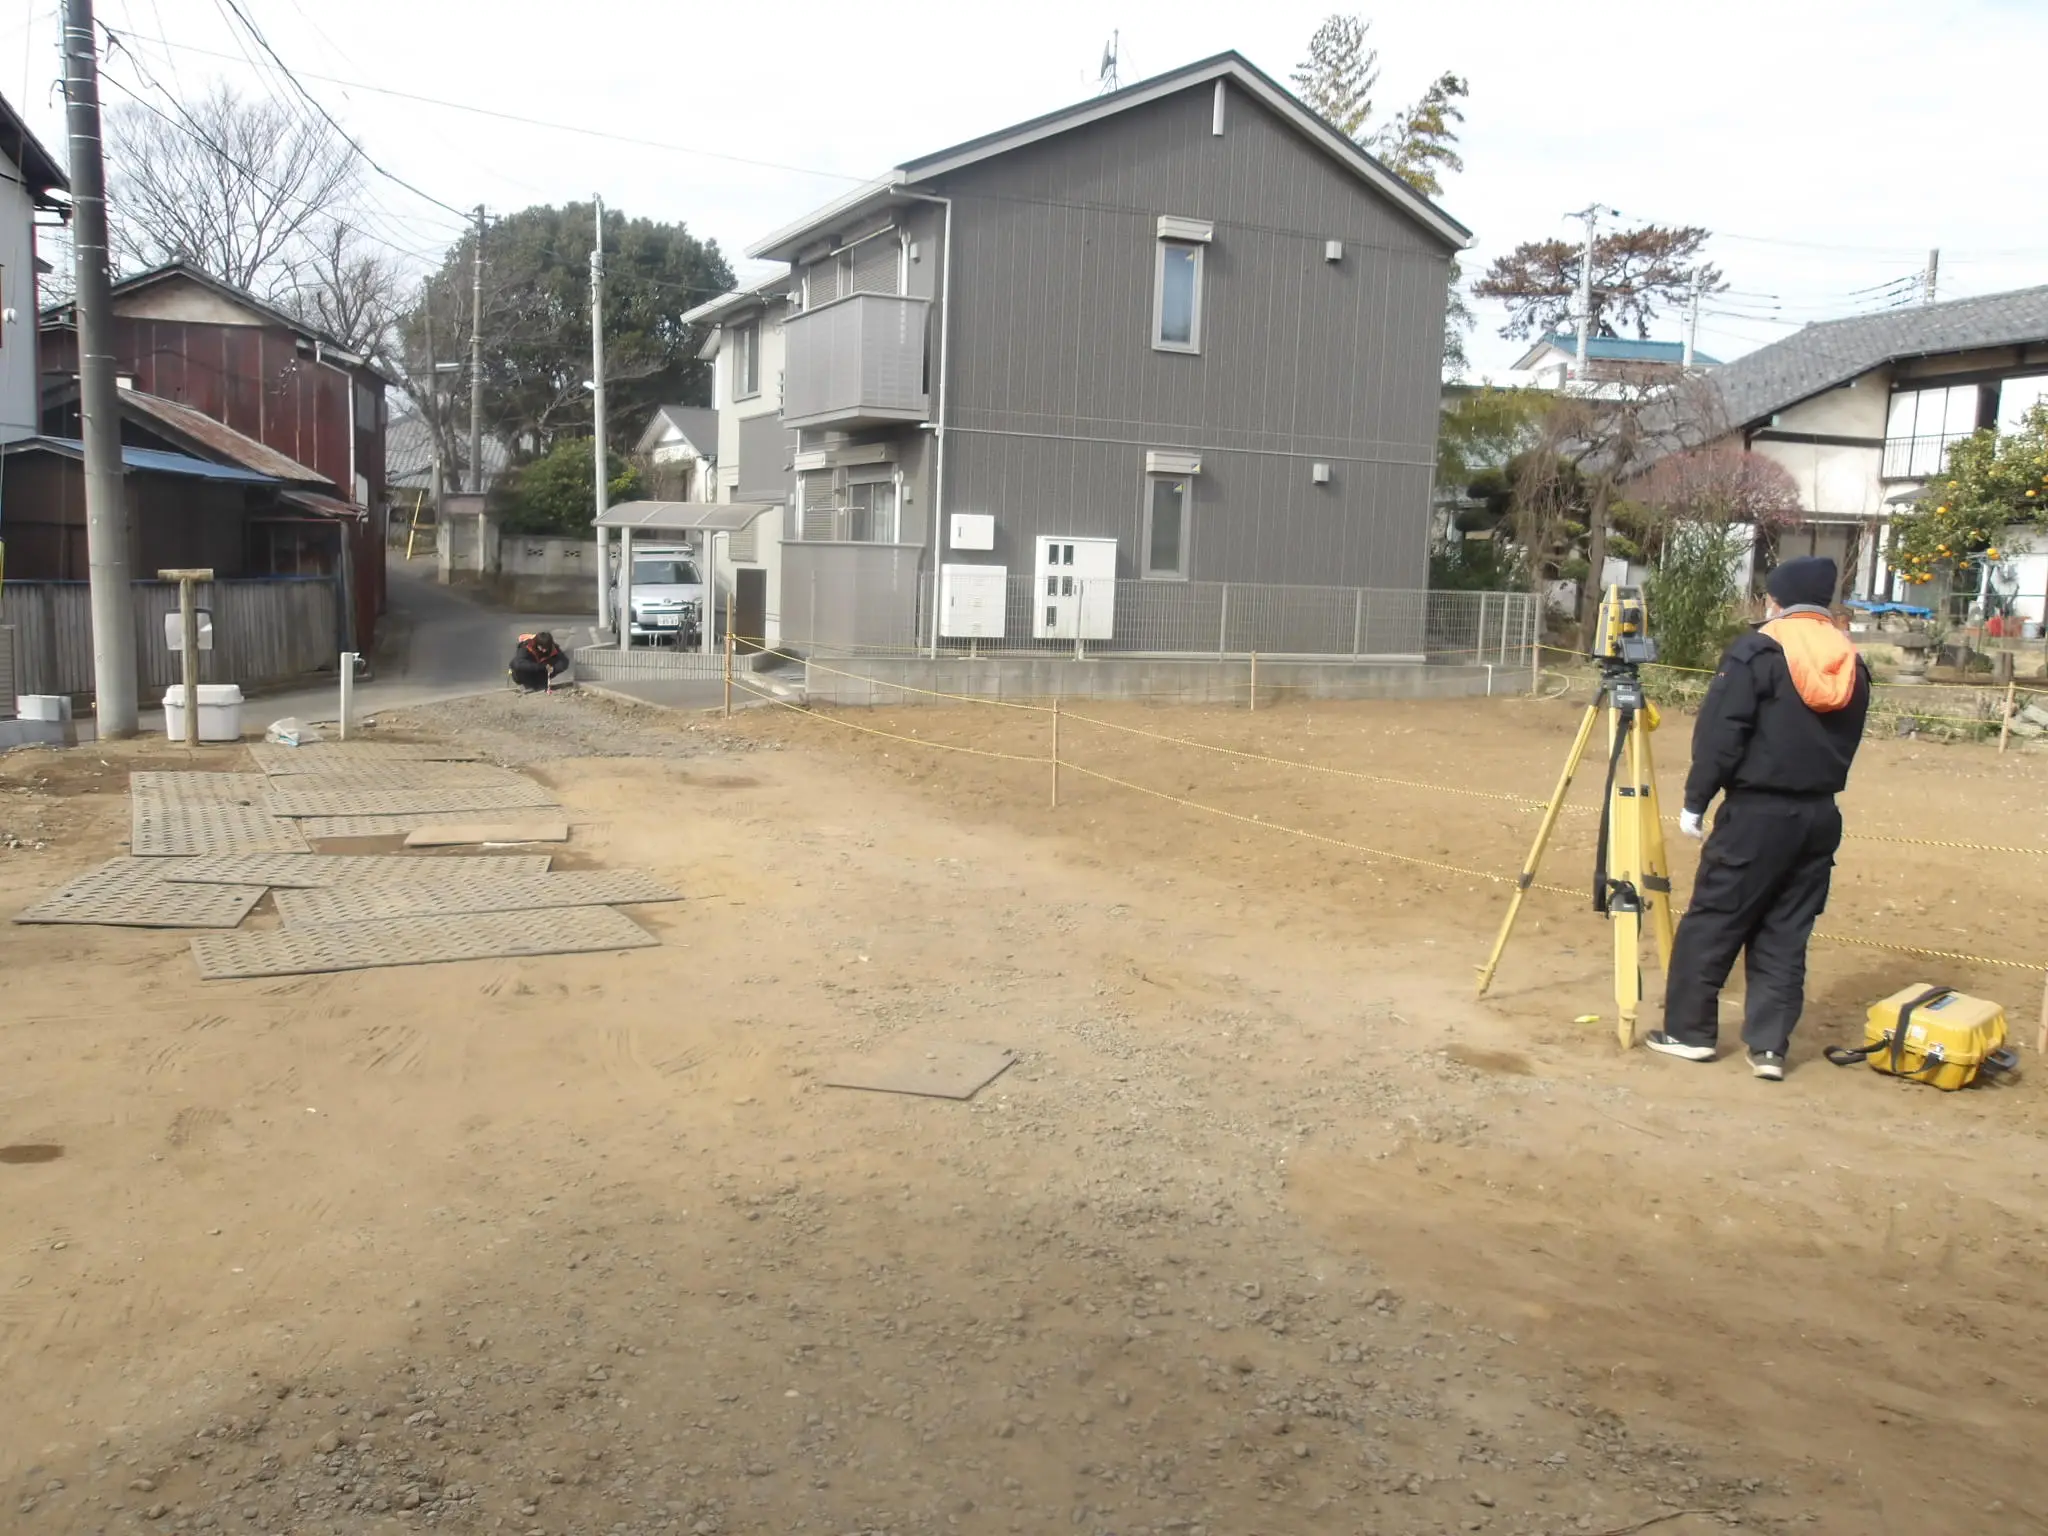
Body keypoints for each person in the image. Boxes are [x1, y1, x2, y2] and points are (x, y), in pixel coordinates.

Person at [1646, 556, 1871, 1081]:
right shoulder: (1851, 660)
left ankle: (1689, 1032)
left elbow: (1722, 733)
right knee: (1787, 929)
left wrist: (1696, 801)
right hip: (1819, 814)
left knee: (1715, 919)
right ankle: (1769, 1047)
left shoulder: (1759, 649)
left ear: (1776, 599)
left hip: (1756, 811)